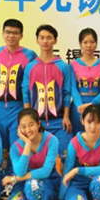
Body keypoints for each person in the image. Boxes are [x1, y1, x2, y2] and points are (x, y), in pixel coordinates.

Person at [0, 19, 37, 200]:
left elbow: (30, 84)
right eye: (8, 32)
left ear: (21, 35)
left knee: (16, 147)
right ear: (3, 34)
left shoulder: (29, 55)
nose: (11, 36)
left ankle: (16, 185)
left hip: (17, 108)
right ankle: (1, 184)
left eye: (15, 33)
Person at [0, 109, 60, 200]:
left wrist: (15, 179)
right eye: (23, 126)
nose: (27, 130)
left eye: (31, 125)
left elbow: (45, 172)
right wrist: (27, 143)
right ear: (18, 129)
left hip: (48, 181)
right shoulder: (15, 147)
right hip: (23, 184)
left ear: (39, 124)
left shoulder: (52, 140)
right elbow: (20, 171)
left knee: (33, 184)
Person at [22, 24, 72, 164]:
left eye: (49, 38)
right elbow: (25, 93)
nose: (45, 41)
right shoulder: (30, 67)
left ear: (55, 40)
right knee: (39, 161)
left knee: (63, 159)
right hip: (38, 124)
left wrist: (66, 116)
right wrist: (28, 120)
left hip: (59, 122)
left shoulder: (63, 66)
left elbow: (67, 93)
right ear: (37, 40)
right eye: (42, 38)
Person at [70, 28, 100, 136]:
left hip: (98, 105)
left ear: (96, 43)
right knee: (79, 137)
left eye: (92, 42)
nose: (89, 45)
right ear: (80, 43)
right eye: (85, 42)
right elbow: (73, 88)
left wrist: (94, 103)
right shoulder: (73, 65)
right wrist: (80, 106)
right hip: (78, 108)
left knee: (98, 135)